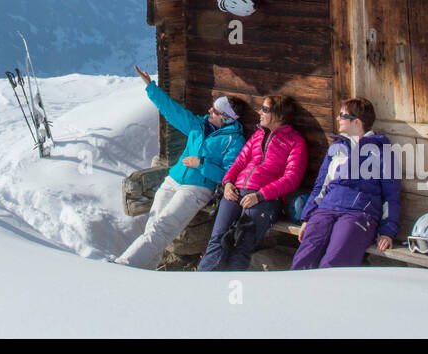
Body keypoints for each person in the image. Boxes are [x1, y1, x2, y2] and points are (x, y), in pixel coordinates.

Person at [115, 66, 247, 269]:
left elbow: (228, 175)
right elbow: (172, 111)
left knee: (162, 227)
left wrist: (202, 164)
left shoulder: (234, 141)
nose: (209, 110)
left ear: (225, 118)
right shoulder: (199, 125)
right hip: (173, 180)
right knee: (153, 227)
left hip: (196, 189)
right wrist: (150, 86)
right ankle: (143, 273)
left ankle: (123, 266)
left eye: (215, 110)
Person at [197, 94, 305, 271]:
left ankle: (232, 289)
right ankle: (205, 280)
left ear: (278, 116)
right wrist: (229, 183)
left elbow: (291, 179)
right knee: (217, 238)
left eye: (265, 109)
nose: (259, 112)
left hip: (266, 199)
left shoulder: (295, 141)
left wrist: (260, 195)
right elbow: (239, 162)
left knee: (241, 245)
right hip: (236, 191)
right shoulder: (257, 136)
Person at [290, 96, 400, 270]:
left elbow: (391, 194)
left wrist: (387, 231)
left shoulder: (381, 152)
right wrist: (307, 217)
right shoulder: (336, 148)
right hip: (326, 210)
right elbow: (321, 186)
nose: (337, 118)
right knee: (303, 259)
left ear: (356, 122)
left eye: (342, 115)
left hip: (358, 214)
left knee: (333, 263)